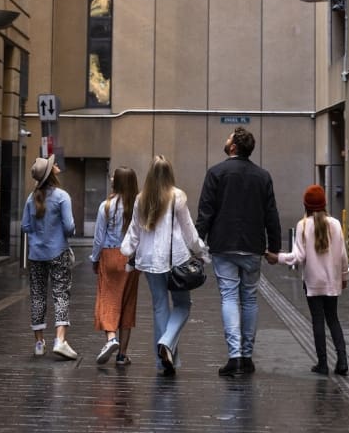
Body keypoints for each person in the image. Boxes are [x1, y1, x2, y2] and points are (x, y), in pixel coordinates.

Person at [196, 126, 281, 377]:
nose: (226, 140)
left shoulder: (216, 173)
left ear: (233, 147)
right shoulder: (262, 176)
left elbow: (206, 212)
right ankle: (247, 355)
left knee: (229, 297)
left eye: (229, 138)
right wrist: (274, 247)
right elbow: (271, 214)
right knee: (251, 299)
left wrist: (197, 243)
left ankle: (234, 356)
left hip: (223, 245)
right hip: (253, 246)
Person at [120, 154, 207, 376]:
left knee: (160, 306)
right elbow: (189, 230)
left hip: (149, 262)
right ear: (170, 174)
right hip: (175, 260)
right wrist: (201, 250)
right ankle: (167, 344)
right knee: (183, 305)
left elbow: (134, 231)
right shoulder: (177, 197)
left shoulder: (142, 198)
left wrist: (127, 252)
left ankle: (164, 361)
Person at [267, 183, 349, 376]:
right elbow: (343, 255)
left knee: (318, 321)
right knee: (333, 319)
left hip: (313, 283)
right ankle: (342, 361)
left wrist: (276, 257)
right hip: (332, 282)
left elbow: (297, 257)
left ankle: (322, 364)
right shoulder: (336, 224)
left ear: (306, 205)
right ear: (324, 204)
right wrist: (344, 276)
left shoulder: (303, 225)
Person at [21, 155, 77, 359]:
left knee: (37, 296)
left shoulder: (30, 198)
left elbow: (25, 226)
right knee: (60, 294)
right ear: (51, 173)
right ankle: (60, 340)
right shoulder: (62, 197)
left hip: (36, 255)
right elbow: (70, 227)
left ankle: (38, 343)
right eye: (53, 165)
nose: (56, 166)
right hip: (58, 252)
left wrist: (38, 231)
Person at [90, 166, 140, 366]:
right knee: (128, 303)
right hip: (130, 258)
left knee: (108, 299)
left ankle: (111, 339)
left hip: (110, 256)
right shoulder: (138, 206)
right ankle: (122, 355)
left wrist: (95, 259)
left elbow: (98, 237)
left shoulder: (106, 206)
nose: (111, 178)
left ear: (117, 182)